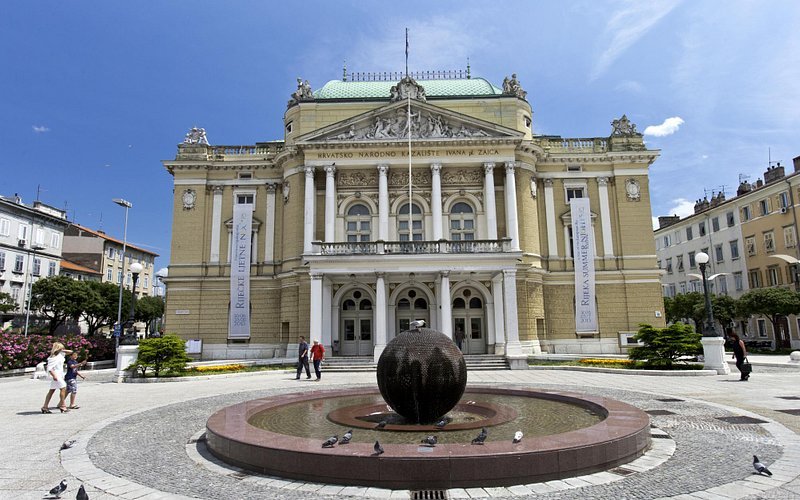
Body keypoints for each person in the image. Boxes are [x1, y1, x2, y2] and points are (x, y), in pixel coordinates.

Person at [42, 342, 73, 413]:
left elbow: (71, 352)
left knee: (52, 390)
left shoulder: (61, 354)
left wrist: (62, 350)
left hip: (60, 374)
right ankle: (63, 405)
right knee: (63, 388)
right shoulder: (52, 357)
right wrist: (54, 376)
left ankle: (45, 407)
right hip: (56, 375)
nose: (63, 349)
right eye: (61, 347)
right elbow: (50, 368)